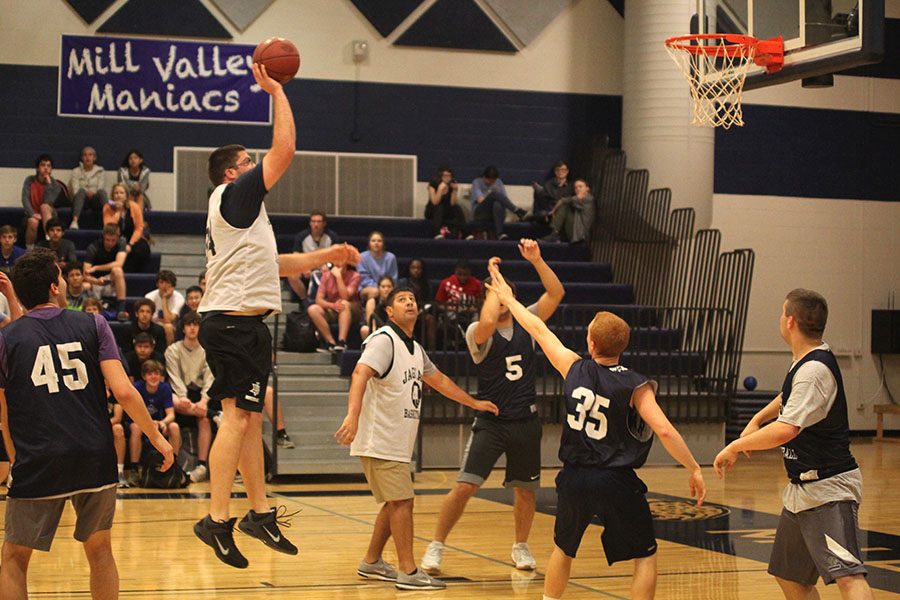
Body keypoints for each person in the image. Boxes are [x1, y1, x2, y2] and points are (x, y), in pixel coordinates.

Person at [193, 62, 361, 569]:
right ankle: (217, 519)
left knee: (243, 421)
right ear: (232, 171)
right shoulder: (234, 193)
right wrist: (276, 91)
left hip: (242, 324)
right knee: (236, 418)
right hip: (232, 324)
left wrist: (327, 258)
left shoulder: (245, 216)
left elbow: (275, 263)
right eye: (247, 160)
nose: (255, 164)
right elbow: (285, 150)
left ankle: (258, 511)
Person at [484, 262, 707, 600]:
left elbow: (536, 329)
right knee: (645, 555)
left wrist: (508, 299)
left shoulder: (573, 367)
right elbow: (663, 429)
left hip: (574, 478)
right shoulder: (636, 384)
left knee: (564, 550)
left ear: (590, 343)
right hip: (615, 479)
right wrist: (693, 467)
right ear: (623, 345)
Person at [0, 248, 173, 599]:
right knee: (100, 551)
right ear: (53, 287)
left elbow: (4, 405)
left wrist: (15, 454)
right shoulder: (94, 324)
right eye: (61, 276)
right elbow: (124, 392)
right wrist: (156, 436)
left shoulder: (6, 339)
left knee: (14, 558)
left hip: (39, 457)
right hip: (94, 455)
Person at [335, 287, 499, 591]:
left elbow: (440, 381)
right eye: (401, 300)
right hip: (379, 439)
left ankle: (371, 562)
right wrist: (353, 415)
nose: (409, 302)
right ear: (390, 312)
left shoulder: (414, 349)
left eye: (412, 298)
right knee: (403, 502)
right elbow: (360, 374)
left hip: (396, 441)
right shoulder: (384, 340)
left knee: (393, 502)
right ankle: (408, 572)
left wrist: (473, 403)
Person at [713, 289, 874, 600]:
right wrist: (758, 418)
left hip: (829, 490)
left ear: (789, 320)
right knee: (789, 576)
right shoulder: (806, 361)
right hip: (802, 493)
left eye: (780, 313)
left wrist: (734, 445)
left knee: (849, 578)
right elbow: (789, 398)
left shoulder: (813, 370)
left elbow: (786, 430)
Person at [422, 240, 565, 575]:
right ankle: (437, 545)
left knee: (526, 492)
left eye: (507, 295)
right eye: (497, 295)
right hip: (491, 423)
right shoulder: (477, 331)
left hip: (525, 422)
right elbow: (487, 320)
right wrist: (493, 278)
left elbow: (556, 293)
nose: (502, 300)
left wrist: (537, 260)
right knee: (465, 486)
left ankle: (521, 546)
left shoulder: (528, 322)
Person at [166, 311, 214, 483]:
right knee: (174, 401)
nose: (193, 328)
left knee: (204, 420)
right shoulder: (173, 350)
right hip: (181, 394)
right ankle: (214, 414)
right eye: (189, 324)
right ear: (184, 328)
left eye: (196, 324)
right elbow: (173, 375)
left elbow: (210, 377)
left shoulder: (207, 350)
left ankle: (202, 466)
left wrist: (204, 400)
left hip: (200, 394)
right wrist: (182, 395)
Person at [129, 360, 180, 471]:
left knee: (174, 427)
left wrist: (163, 422)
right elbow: (133, 412)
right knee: (135, 427)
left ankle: (173, 466)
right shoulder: (137, 387)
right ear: (144, 376)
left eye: (156, 373)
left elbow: (171, 414)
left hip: (159, 423)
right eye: (150, 374)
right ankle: (134, 468)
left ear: (160, 376)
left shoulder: (165, 387)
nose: (153, 377)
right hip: (140, 422)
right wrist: (149, 423)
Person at [308, 262, 361, 353]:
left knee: (343, 303)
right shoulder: (326, 276)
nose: (339, 263)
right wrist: (332, 306)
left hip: (352, 310)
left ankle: (342, 342)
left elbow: (345, 296)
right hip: (333, 308)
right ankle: (330, 342)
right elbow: (319, 300)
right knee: (313, 309)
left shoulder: (355, 275)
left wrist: (338, 277)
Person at [288, 211, 340, 304]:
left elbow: (337, 258)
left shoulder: (332, 237)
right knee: (292, 275)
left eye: (319, 222)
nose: (316, 224)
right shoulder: (302, 236)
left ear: (324, 223)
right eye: (313, 221)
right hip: (306, 269)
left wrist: (328, 266)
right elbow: (295, 256)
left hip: (325, 269)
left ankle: (329, 300)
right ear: (310, 223)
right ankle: (305, 301)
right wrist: (304, 267)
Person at [83, 223, 129, 321]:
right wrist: (96, 281)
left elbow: (119, 263)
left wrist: (96, 268)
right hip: (95, 281)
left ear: (118, 237)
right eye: (107, 240)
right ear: (104, 236)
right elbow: (85, 273)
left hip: (110, 280)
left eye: (113, 240)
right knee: (84, 284)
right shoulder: (93, 247)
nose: (110, 243)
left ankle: (121, 310)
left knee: (118, 270)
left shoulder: (122, 242)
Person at [468, 166, 527, 241]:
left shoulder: (498, 182)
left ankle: (500, 234)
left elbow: (504, 199)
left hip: (495, 213)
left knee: (497, 204)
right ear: (484, 177)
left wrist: (496, 199)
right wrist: (492, 197)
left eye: (493, 181)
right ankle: (516, 210)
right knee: (495, 194)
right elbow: (481, 200)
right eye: (489, 180)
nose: (491, 183)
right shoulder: (476, 182)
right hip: (480, 213)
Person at [21, 154, 68, 247]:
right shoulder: (29, 180)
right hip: (32, 214)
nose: (46, 168)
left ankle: (49, 239)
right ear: (38, 168)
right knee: (33, 222)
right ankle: (29, 250)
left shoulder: (55, 185)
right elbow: (24, 199)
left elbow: (49, 201)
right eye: (43, 165)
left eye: (48, 166)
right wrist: (32, 214)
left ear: (51, 169)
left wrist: (49, 185)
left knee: (44, 206)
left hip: (48, 214)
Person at [103, 182, 150, 272]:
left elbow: (139, 228)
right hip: (115, 238)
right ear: (112, 195)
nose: (118, 195)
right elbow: (109, 228)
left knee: (142, 248)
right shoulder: (107, 207)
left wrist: (130, 244)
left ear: (126, 195)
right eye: (116, 193)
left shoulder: (134, 207)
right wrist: (118, 212)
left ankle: (132, 272)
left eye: (121, 193)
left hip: (132, 237)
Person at [434, 258, 483, 333]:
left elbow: (480, 303)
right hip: (452, 312)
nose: (462, 277)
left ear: (469, 272)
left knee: (476, 320)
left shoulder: (477, 284)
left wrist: (473, 309)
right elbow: (439, 304)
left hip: (471, 312)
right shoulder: (446, 283)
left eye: (465, 274)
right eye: (460, 274)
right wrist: (453, 309)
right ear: (455, 271)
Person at [542, 178, 595, 245]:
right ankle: (555, 233)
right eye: (576, 188)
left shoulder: (588, 199)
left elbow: (564, 201)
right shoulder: (577, 199)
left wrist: (553, 211)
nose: (578, 189)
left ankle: (554, 234)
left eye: (580, 187)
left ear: (587, 188)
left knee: (565, 206)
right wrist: (553, 211)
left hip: (580, 235)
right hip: (576, 229)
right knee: (565, 207)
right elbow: (562, 200)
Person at [397, 258, 435, 349]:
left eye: (419, 268)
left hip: (421, 313)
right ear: (409, 269)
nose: (416, 270)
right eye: (413, 268)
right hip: (405, 312)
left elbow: (430, 302)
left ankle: (431, 351)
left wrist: (420, 311)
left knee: (431, 319)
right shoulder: (403, 283)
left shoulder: (427, 284)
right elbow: (398, 300)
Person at [68, 146, 108, 230]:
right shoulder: (75, 171)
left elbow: (100, 187)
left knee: (102, 192)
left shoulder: (100, 171)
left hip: (95, 199)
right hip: (82, 200)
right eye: (85, 155)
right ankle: (75, 221)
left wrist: (93, 194)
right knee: (81, 191)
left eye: (90, 155)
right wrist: (87, 192)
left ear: (94, 158)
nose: (88, 157)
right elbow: (75, 190)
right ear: (82, 158)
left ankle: (109, 222)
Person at [357, 231, 398, 305]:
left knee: (388, 291)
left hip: (386, 286)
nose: (376, 243)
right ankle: (369, 315)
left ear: (383, 244)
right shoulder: (361, 257)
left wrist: (384, 287)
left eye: (379, 241)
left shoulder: (391, 257)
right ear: (369, 243)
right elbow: (363, 278)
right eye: (373, 241)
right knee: (374, 292)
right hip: (366, 287)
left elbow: (393, 277)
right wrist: (379, 288)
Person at [144, 270, 184, 345]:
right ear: (157, 284)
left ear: (172, 285)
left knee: (168, 327)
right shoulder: (149, 297)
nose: (164, 286)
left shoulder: (179, 298)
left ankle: (169, 353)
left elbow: (168, 320)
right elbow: (147, 319)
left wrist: (164, 299)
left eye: (167, 283)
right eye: (161, 282)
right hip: (152, 326)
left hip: (173, 328)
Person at [426, 166, 466, 239]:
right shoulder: (433, 184)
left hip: (445, 211)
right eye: (445, 176)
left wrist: (455, 191)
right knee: (439, 207)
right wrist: (440, 190)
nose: (447, 178)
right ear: (440, 176)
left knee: (457, 207)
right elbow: (435, 202)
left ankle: (466, 233)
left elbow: (453, 204)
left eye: (449, 176)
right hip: (433, 210)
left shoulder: (451, 185)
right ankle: (437, 233)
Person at [531, 161, 574, 227]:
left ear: (567, 171)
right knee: (542, 214)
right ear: (555, 172)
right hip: (549, 210)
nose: (560, 172)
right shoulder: (549, 184)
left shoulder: (571, 186)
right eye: (558, 170)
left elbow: (568, 200)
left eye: (563, 170)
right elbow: (545, 201)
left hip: (563, 212)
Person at [359, 275, 393, 340]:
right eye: (383, 287)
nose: (386, 289)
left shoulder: (395, 302)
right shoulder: (372, 301)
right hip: (376, 329)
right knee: (364, 330)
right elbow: (371, 322)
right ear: (378, 288)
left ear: (393, 288)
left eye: (389, 286)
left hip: (391, 329)